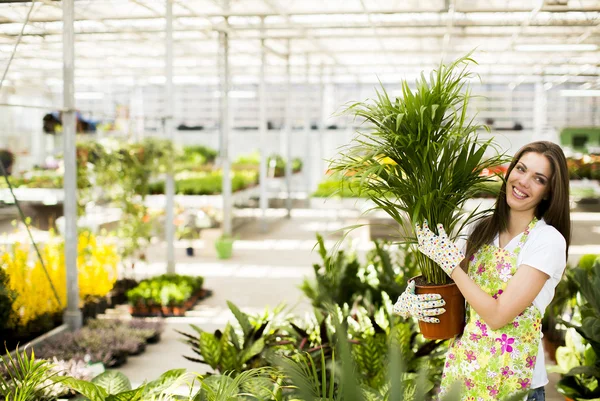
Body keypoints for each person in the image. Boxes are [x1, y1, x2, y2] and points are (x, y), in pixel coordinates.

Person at [393, 141, 571, 401]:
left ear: (548, 192)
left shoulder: (546, 240)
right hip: (464, 379)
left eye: (538, 179)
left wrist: (452, 266)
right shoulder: (479, 229)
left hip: (516, 387)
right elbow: (453, 294)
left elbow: (498, 315)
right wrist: (415, 300)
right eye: (520, 169)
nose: (523, 182)